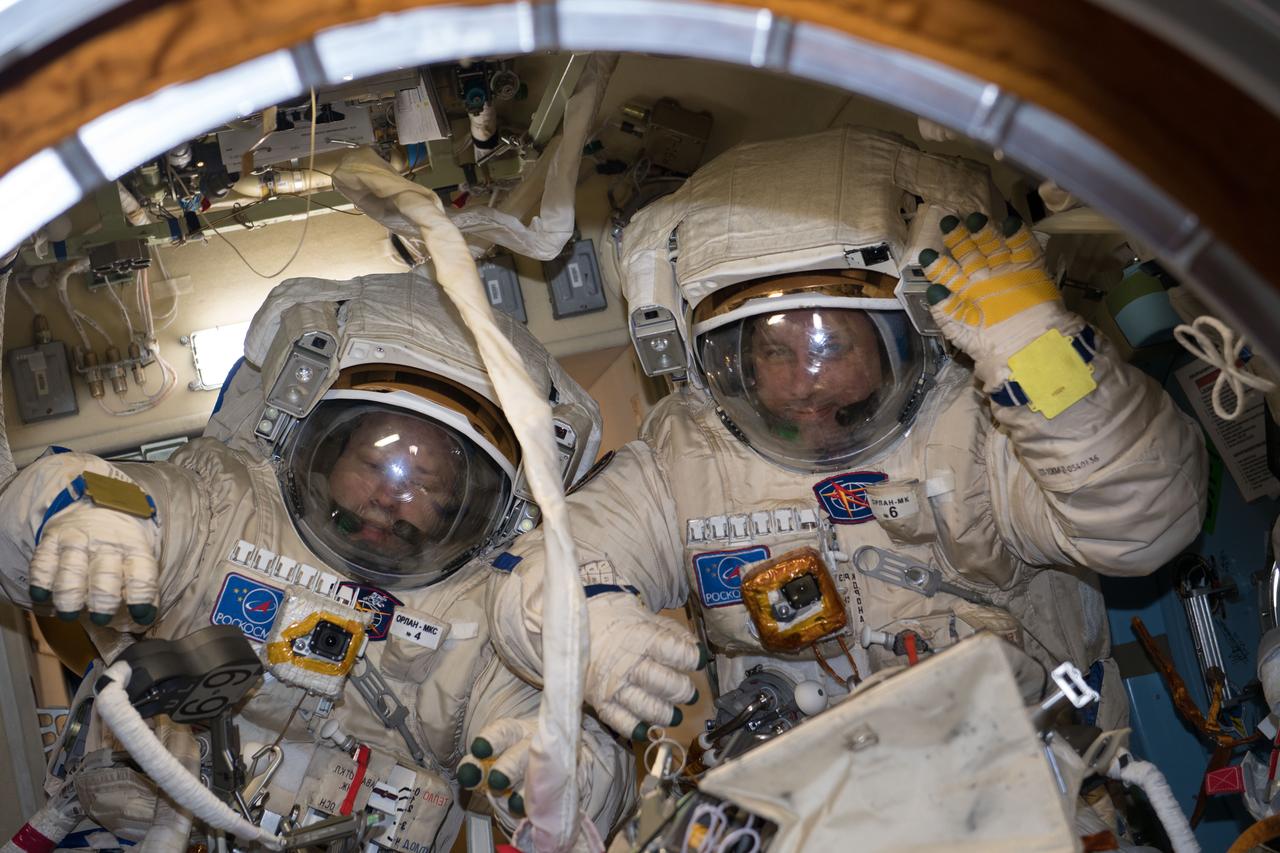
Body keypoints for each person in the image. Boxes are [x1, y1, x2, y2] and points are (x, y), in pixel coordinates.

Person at [485, 126, 1209, 758]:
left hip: (1030, 773)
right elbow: (540, 571)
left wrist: (1033, 348)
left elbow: (1145, 524)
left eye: (831, 343)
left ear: (903, 332)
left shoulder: (984, 422)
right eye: (768, 351)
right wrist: (594, 630)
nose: (803, 379)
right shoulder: (688, 460)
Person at [0, 271, 633, 850]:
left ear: (468, 512)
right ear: (326, 451)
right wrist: (81, 509)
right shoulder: (226, 504)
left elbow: (565, 746)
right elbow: (113, 492)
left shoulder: (483, 613)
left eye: (431, 488)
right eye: (374, 464)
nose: (392, 496)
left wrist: (564, 770)